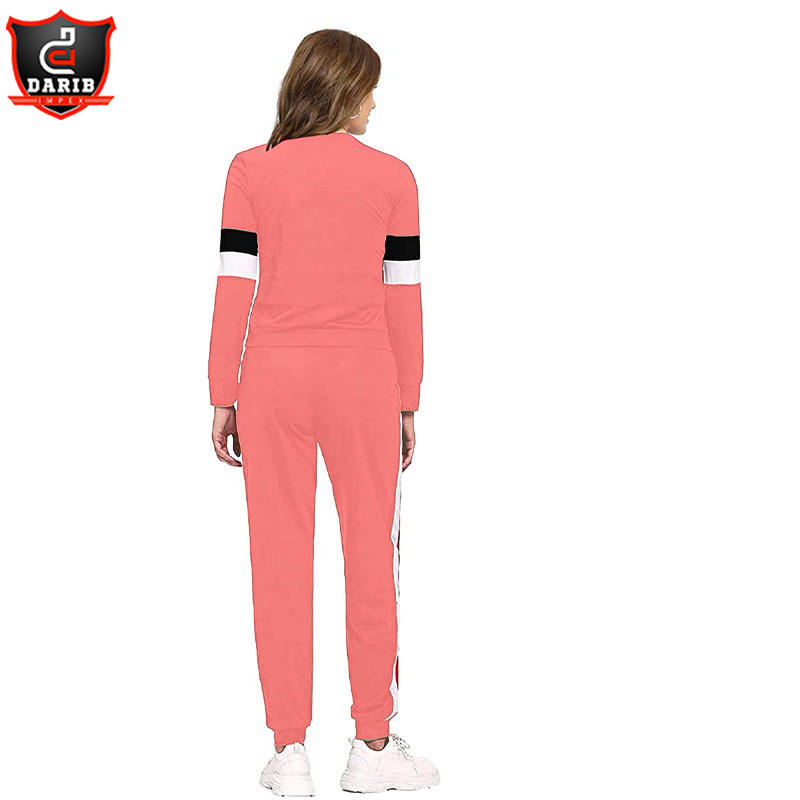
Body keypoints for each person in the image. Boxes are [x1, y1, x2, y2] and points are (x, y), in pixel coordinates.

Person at [208, 29, 439, 796]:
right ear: (343, 88)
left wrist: (222, 390)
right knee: (371, 554)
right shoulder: (393, 178)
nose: (376, 102)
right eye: (369, 87)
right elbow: (402, 298)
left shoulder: (250, 170)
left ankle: (289, 751)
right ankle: (371, 747)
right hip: (363, 380)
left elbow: (234, 285)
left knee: (277, 560)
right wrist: (408, 400)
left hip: (271, 380)